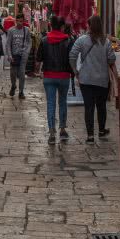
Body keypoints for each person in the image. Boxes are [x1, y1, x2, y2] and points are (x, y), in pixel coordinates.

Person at [69, 15, 117, 143]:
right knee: (101, 106)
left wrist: (75, 71)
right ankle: (101, 130)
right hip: (102, 79)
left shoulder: (81, 40)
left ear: (90, 26)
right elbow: (112, 59)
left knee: (88, 107)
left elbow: (72, 55)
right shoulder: (106, 42)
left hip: (86, 79)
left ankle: (90, 135)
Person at [38, 16, 74, 144]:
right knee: (63, 102)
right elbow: (72, 59)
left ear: (50, 26)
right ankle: (63, 130)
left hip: (49, 76)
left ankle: (52, 131)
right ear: (63, 27)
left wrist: (38, 72)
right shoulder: (69, 41)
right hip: (64, 76)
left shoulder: (44, 40)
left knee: (51, 103)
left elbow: (39, 59)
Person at [4, 18, 32, 99]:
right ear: (16, 21)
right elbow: (8, 43)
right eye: (18, 21)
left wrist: (27, 51)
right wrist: (9, 55)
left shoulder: (26, 30)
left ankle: (21, 92)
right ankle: (13, 85)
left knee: (22, 73)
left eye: (21, 21)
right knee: (13, 73)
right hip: (13, 55)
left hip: (23, 55)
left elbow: (29, 41)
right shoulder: (11, 30)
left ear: (23, 21)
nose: (20, 23)